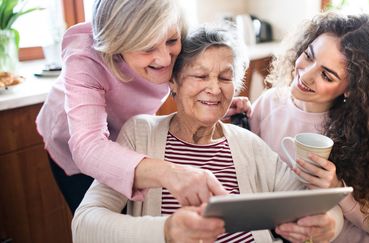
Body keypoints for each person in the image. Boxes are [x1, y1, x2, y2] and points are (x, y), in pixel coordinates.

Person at [72, 23, 344, 243]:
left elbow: (313, 205)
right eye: (200, 76)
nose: (214, 89)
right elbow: (84, 225)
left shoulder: (249, 145)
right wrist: (166, 231)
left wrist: (330, 223)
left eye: (225, 78)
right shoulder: (140, 134)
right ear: (174, 83)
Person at [35, 0, 249, 213]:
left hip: (128, 133)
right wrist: (171, 173)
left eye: (171, 40)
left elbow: (190, 80)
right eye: (148, 47)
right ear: (117, 44)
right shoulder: (85, 56)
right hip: (73, 141)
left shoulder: (175, 29)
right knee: (102, 221)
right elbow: (88, 147)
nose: (165, 59)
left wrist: (211, 103)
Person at [249, 12, 369, 242]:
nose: (305, 76)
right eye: (308, 56)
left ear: (352, 89)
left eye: (326, 75)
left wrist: (337, 188)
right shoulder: (269, 104)